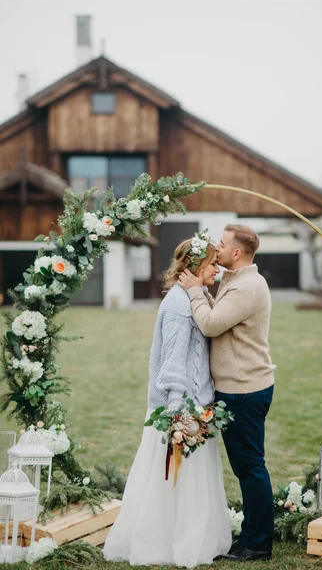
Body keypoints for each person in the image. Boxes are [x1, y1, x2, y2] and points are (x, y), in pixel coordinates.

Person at [103, 231, 232, 568]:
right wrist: (177, 412)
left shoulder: (195, 296)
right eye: (213, 263)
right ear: (196, 265)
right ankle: (164, 541)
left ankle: (195, 534)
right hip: (179, 407)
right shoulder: (178, 305)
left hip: (196, 402)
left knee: (193, 480)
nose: (218, 269)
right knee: (172, 480)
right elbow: (174, 362)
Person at [178, 224, 275, 562]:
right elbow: (218, 314)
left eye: (221, 243)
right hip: (240, 387)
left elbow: (210, 324)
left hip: (244, 390)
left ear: (236, 253)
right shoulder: (235, 281)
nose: (215, 248)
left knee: (250, 467)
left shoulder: (246, 287)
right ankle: (254, 535)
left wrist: (193, 290)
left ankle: (258, 544)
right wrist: (203, 290)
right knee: (247, 466)